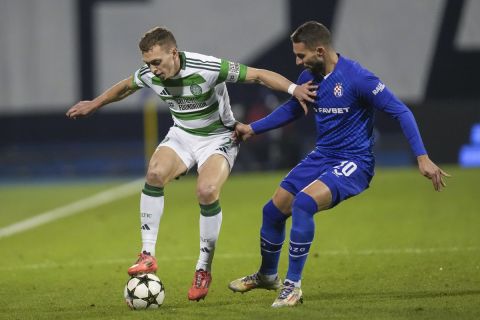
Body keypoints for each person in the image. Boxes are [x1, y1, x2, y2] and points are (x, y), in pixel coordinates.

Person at [66, 26, 316, 301]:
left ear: (173, 53)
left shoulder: (206, 67)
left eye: (157, 62)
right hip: (183, 135)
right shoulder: (150, 73)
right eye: (147, 63)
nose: (153, 69)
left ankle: (203, 268)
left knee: (207, 191)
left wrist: (294, 89)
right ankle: (147, 255)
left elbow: (257, 76)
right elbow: (126, 86)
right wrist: (95, 103)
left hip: (219, 137)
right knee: (154, 173)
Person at [228, 21, 450, 307]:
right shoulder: (311, 77)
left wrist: (422, 156)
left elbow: (401, 111)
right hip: (323, 155)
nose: (298, 62)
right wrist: (252, 129)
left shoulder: (358, 78)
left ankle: (293, 286)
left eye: (301, 55)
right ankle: (268, 275)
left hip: (355, 161)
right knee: (272, 210)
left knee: (304, 203)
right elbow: (294, 109)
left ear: (319, 50)